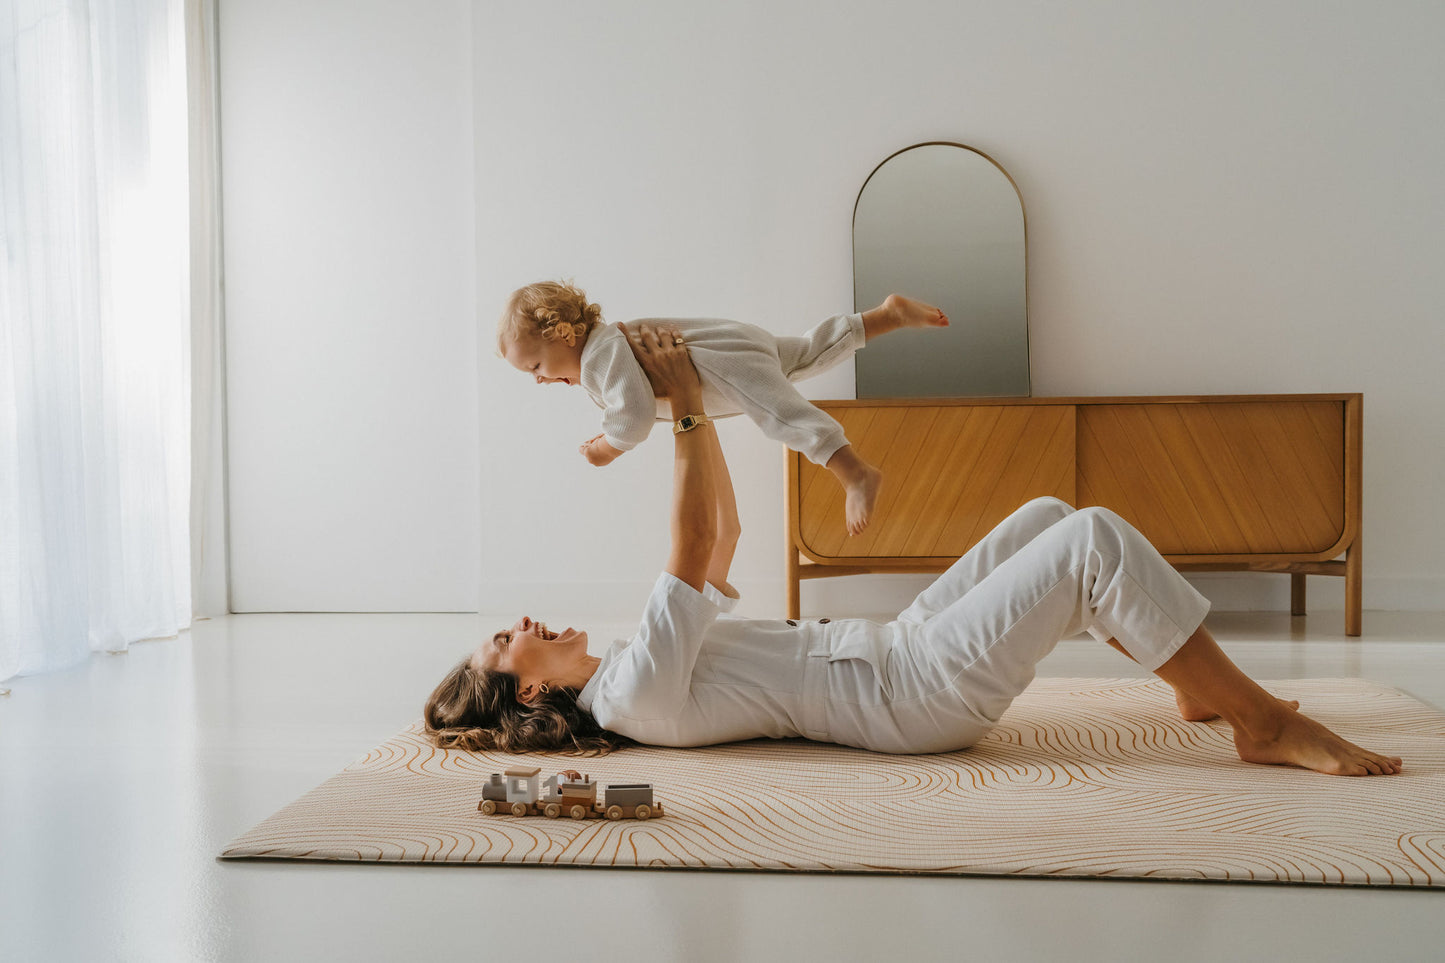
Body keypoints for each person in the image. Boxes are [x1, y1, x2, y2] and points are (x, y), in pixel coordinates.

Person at [429, 324, 1404, 777]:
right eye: (499, 645)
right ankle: (1257, 722)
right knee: (1092, 542)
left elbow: (721, 533)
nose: (516, 625)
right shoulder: (632, 693)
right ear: (525, 694)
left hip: (895, 647)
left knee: (1044, 512)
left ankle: (1185, 678)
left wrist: (695, 395)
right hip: (910, 697)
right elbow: (691, 537)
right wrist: (679, 400)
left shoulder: (637, 669)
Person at [496, 279, 949, 535]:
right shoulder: (607, 344)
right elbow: (632, 403)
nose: (539, 379)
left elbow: (632, 416)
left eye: (535, 365)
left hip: (719, 363)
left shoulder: (597, 359)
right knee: (807, 352)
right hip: (736, 342)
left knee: (780, 414)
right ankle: (885, 316)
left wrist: (608, 448)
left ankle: (854, 472)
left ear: (565, 334)